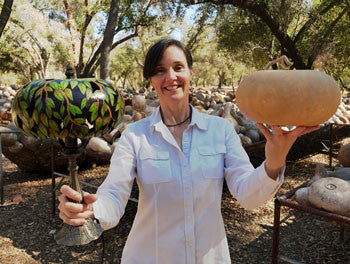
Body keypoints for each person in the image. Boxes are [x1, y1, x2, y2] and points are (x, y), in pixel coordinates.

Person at [58, 38, 318, 263]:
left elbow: (248, 197)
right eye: (160, 70)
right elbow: (114, 195)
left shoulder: (220, 131)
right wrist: (91, 209)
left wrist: (274, 160)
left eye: (178, 67)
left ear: (190, 73)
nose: (170, 77)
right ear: (151, 80)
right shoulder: (135, 137)